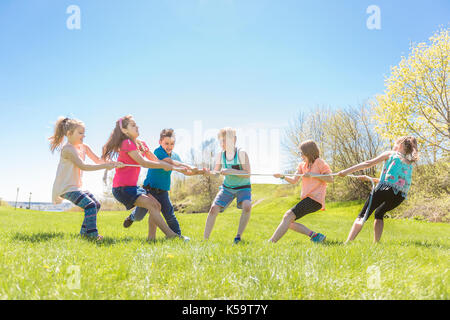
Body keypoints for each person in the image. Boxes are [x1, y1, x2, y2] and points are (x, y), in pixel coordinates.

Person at [102, 115, 188, 241]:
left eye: (136, 124)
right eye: (133, 125)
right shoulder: (127, 143)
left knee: (156, 206)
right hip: (122, 189)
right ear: (125, 131)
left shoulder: (140, 144)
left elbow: (154, 159)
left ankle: (151, 239)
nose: (137, 127)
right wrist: (163, 165)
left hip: (132, 187)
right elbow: (144, 163)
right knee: (153, 206)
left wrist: (172, 166)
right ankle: (171, 235)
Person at [124, 128, 205, 239]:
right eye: (166, 143)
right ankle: (132, 217)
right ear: (160, 142)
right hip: (149, 190)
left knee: (169, 215)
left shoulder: (175, 156)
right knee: (139, 216)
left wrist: (201, 172)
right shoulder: (158, 152)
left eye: (172, 144)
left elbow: (184, 171)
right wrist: (188, 166)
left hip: (163, 192)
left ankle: (177, 237)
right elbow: (171, 163)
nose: (169, 146)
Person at [50, 117, 122, 241]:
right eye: (80, 133)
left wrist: (113, 163)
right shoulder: (67, 149)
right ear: (69, 134)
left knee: (96, 205)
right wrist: (105, 166)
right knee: (90, 205)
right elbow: (83, 166)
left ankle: (84, 233)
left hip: (76, 187)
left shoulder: (84, 147)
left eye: (84, 133)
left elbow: (98, 160)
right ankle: (92, 235)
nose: (83, 136)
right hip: (66, 188)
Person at [338, 136, 419, 243]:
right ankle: (376, 243)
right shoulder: (409, 163)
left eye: (395, 144)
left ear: (400, 145)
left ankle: (348, 242)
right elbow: (394, 181)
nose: (393, 146)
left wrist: (346, 172)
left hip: (385, 189)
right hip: (400, 196)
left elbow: (368, 163)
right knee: (379, 213)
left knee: (363, 215)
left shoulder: (391, 154)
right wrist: (370, 179)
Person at [269, 140, 333, 243]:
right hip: (307, 199)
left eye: (301, 153)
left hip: (315, 200)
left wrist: (313, 175)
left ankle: (271, 242)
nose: (300, 155)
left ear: (309, 152)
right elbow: (294, 180)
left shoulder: (319, 162)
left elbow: (330, 179)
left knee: (287, 217)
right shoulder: (302, 165)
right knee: (288, 222)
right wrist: (282, 176)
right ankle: (316, 236)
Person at [203, 127, 252, 244]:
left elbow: (247, 174)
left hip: (243, 188)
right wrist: (208, 173)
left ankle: (238, 237)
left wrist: (230, 171)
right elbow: (216, 173)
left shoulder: (241, 153)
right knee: (213, 209)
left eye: (226, 140)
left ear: (234, 140)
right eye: (221, 141)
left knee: (247, 206)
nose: (223, 143)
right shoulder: (220, 155)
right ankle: (205, 240)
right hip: (227, 188)